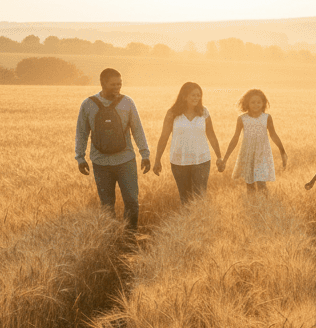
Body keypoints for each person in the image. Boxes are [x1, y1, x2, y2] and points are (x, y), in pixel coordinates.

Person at [75, 68, 150, 231]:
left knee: (131, 201)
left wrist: (145, 153)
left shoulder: (128, 102)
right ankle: (111, 237)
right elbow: (81, 132)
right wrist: (80, 158)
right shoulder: (88, 104)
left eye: (120, 84)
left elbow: (137, 129)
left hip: (126, 161)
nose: (117, 87)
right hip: (100, 163)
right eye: (113, 84)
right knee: (107, 204)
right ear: (102, 83)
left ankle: (130, 236)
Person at [153, 82, 223, 204]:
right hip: (179, 161)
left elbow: (211, 134)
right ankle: (187, 222)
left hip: (201, 160)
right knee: (185, 198)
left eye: (198, 95)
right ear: (184, 96)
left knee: (200, 198)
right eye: (193, 95)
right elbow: (164, 137)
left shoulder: (204, 112)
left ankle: (200, 222)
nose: (196, 98)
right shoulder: (172, 113)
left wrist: (219, 156)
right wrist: (157, 160)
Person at [223, 89, 287, 194]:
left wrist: (282, 152)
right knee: (250, 184)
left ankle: (265, 204)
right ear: (247, 103)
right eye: (252, 102)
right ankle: (253, 205)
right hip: (248, 154)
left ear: (263, 103)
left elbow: (273, 135)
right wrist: (225, 158)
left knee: (262, 183)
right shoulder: (242, 119)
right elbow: (235, 138)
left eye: (259, 102)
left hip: (262, 154)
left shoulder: (267, 117)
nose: (256, 104)